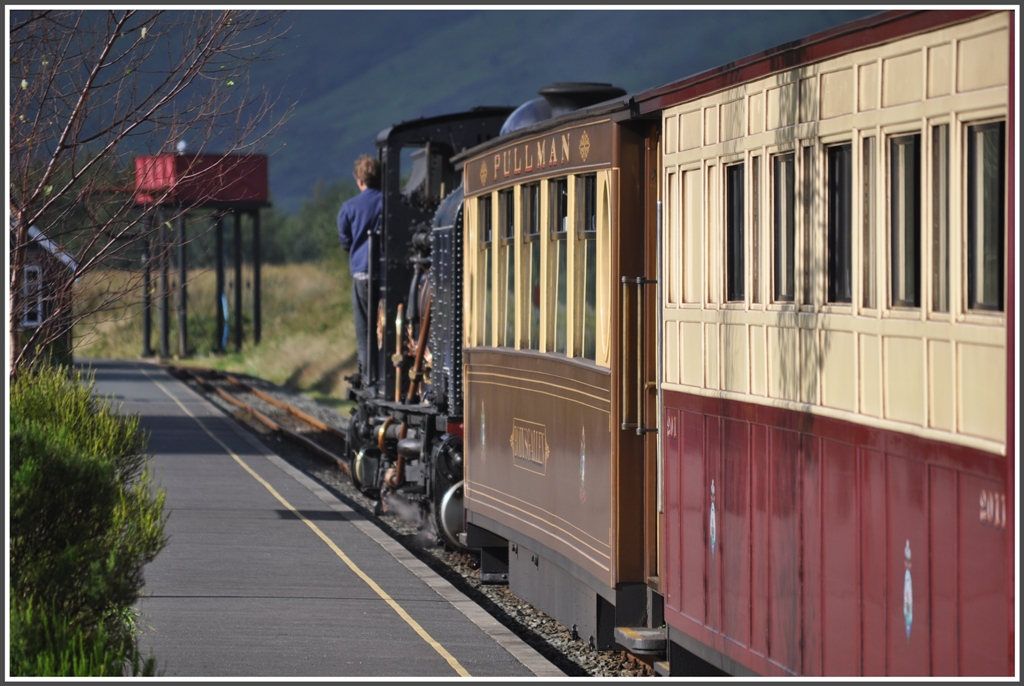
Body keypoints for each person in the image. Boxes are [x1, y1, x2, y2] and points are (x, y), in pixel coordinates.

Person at [338, 154, 382, 383]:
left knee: (364, 328)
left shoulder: (349, 207)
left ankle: (367, 375)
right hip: (387, 274)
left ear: (359, 180)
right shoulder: (390, 202)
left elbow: (345, 239)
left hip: (362, 272)